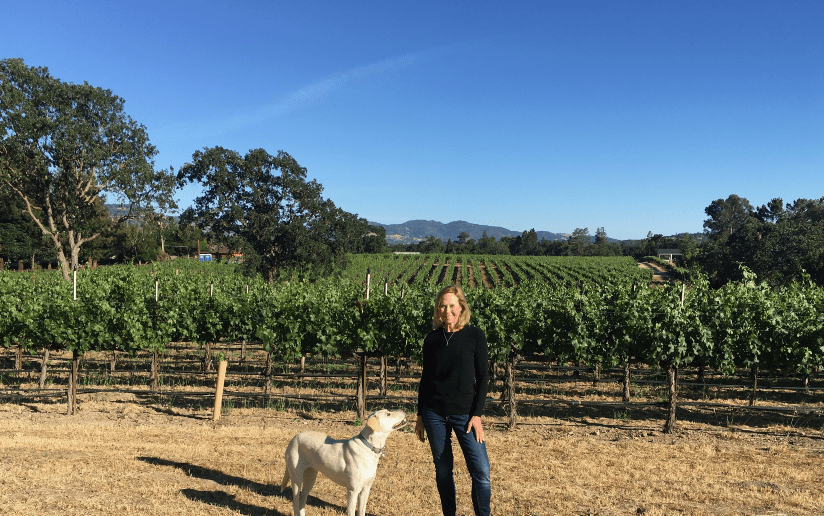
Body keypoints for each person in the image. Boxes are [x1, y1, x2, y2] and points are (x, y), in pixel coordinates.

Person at [415, 284, 491, 516]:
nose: (447, 310)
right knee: (443, 470)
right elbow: (426, 379)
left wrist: (477, 415)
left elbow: (484, 377)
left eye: (452, 306)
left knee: (481, 472)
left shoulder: (475, 336)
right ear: (437, 310)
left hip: (465, 415)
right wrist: (420, 415)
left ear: (461, 308)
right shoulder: (431, 340)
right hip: (434, 414)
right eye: (442, 306)